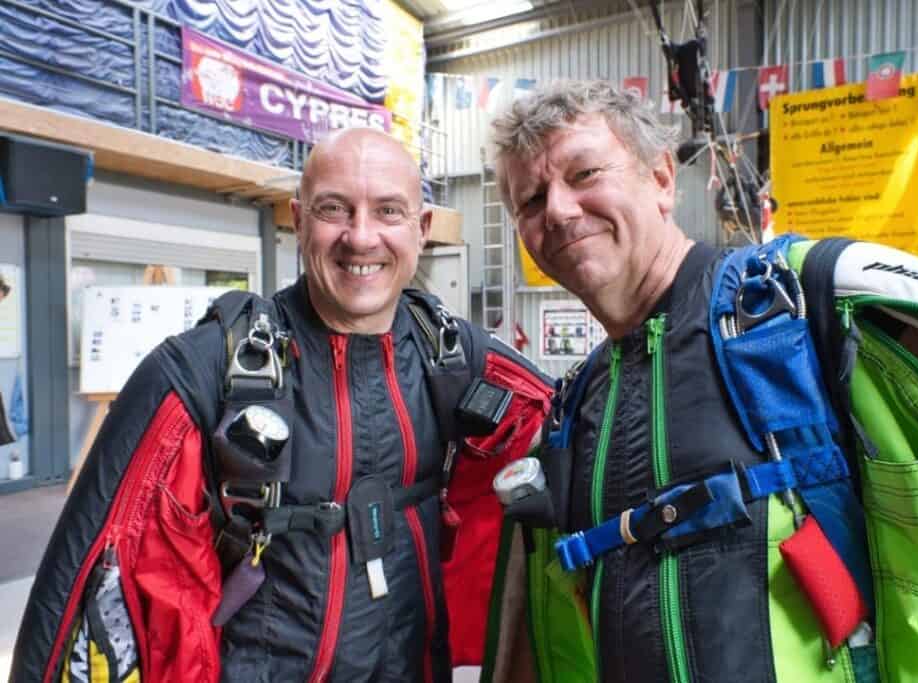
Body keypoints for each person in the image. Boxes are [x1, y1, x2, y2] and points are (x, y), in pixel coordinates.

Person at [487, 80, 918, 682]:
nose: (557, 210)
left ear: (662, 178)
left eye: (584, 173)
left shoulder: (810, 300)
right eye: (530, 200)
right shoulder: (575, 411)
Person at [12, 128, 552, 682]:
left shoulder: (460, 360)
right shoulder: (201, 374)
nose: (361, 237)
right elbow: (99, 585)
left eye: (388, 210)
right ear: (299, 220)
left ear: (423, 227)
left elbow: (578, 459)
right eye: (334, 209)